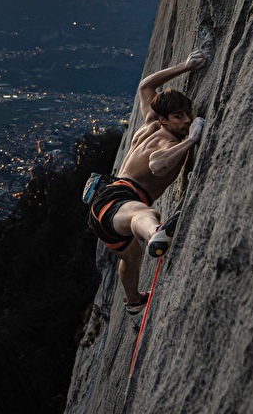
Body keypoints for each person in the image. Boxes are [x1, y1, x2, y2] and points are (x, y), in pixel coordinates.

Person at [88, 48, 207, 316]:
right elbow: (157, 164)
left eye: (187, 113)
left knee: (131, 256)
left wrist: (187, 66)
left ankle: (134, 301)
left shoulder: (150, 122)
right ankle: (154, 233)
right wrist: (190, 141)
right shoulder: (167, 139)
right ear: (164, 119)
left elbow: (146, 85)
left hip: (104, 205)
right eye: (179, 116)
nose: (187, 119)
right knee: (143, 214)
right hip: (119, 200)